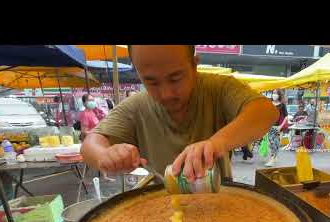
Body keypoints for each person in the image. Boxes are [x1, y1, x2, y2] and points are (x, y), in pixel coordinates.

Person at [81, 45, 278, 181]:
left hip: (218, 198)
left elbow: (265, 112)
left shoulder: (218, 88)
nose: (166, 94)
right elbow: (90, 144)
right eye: (152, 82)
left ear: (194, 65)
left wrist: (216, 142)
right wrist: (105, 155)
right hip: (160, 204)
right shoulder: (136, 106)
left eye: (175, 78)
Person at [264, 89, 288, 167]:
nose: (274, 95)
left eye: (276, 93)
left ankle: (272, 159)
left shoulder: (282, 105)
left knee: (275, 143)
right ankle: (274, 157)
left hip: (277, 127)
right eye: (273, 93)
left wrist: (280, 126)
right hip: (269, 126)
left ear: (279, 95)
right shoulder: (269, 103)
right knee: (271, 143)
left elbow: (286, 117)